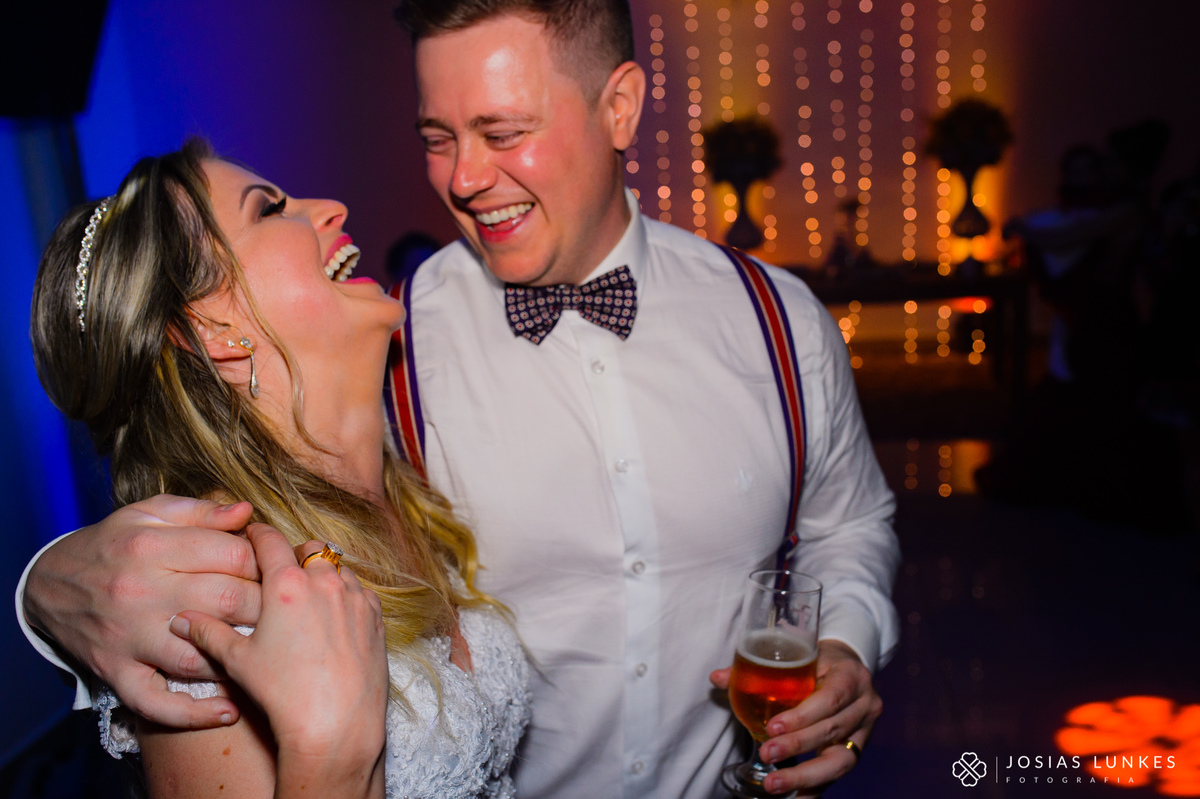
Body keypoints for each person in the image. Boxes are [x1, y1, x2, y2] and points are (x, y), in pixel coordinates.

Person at [20, 1, 899, 797]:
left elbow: (849, 525)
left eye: (503, 130)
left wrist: (848, 642)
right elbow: (229, 483)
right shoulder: (399, 339)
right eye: (438, 137)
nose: (464, 178)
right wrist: (48, 586)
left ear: (620, 106)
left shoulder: (780, 320)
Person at [24, 140, 530, 798]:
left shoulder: (408, 475)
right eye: (269, 209)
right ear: (211, 327)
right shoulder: (218, 607)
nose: (330, 208)